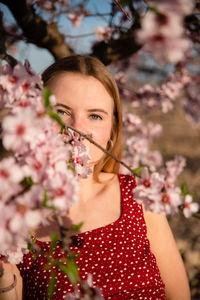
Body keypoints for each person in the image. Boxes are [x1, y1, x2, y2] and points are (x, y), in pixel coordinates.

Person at [0, 55, 190, 300]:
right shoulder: (17, 218)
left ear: (112, 130)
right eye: (61, 111)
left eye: (95, 116)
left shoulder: (140, 197)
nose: (76, 129)